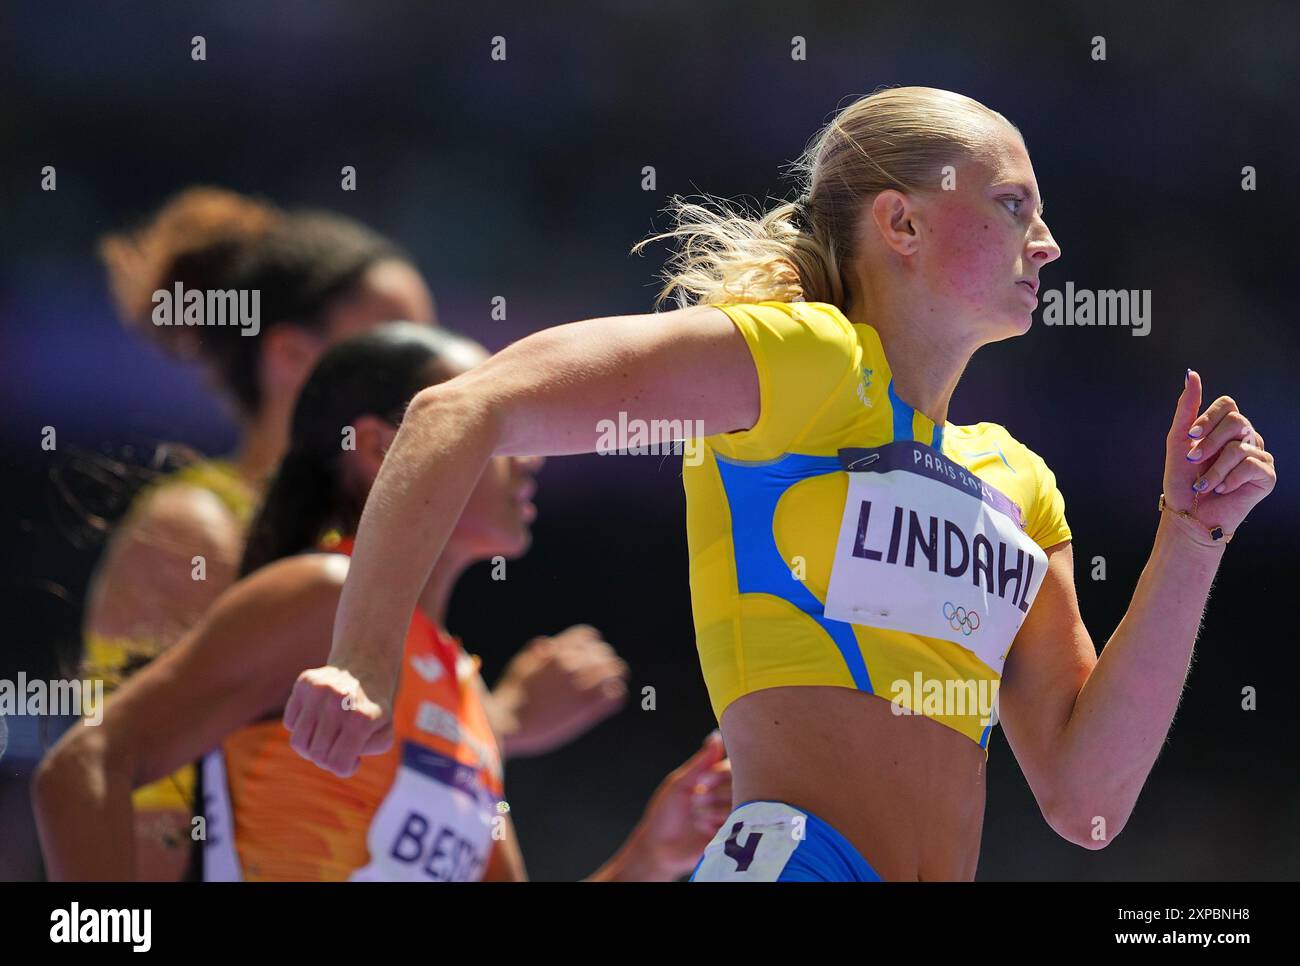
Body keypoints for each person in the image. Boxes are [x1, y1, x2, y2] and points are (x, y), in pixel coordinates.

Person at [280, 86, 1277, 882]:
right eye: (1013, 205)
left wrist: (1190, 538)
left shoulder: (1014, 481)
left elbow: (1086, 804)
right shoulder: (803, 362)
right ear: (903, 223)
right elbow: (458, 410)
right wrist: (361, 660)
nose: (1048, 242)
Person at [34, 324, 729, 881]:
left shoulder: (459, 683)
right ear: (377, 447)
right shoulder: (318, 597)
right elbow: (82, 765)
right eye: (495, 428)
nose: (533, 456)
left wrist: (651, 854)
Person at [84, 188, 627, 878]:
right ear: (289, 356)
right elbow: (150, 784)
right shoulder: (200, 527)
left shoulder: (375, 573)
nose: (437, 386)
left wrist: (494, 727)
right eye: (395, 332)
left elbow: (329, 756)